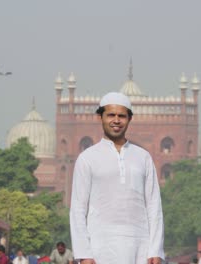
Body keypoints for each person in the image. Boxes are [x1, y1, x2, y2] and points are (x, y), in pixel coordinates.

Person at [70, 92, 165, 264]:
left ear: (129, 119)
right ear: (100, 117)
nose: (116, 120)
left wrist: (155, 249)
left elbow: (154, 206)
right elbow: (78, 209)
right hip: (100, 247)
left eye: (121, 116)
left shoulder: (143, 157)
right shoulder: (87, 158)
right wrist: (84, 254)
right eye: (111, 115)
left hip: (140, 247)